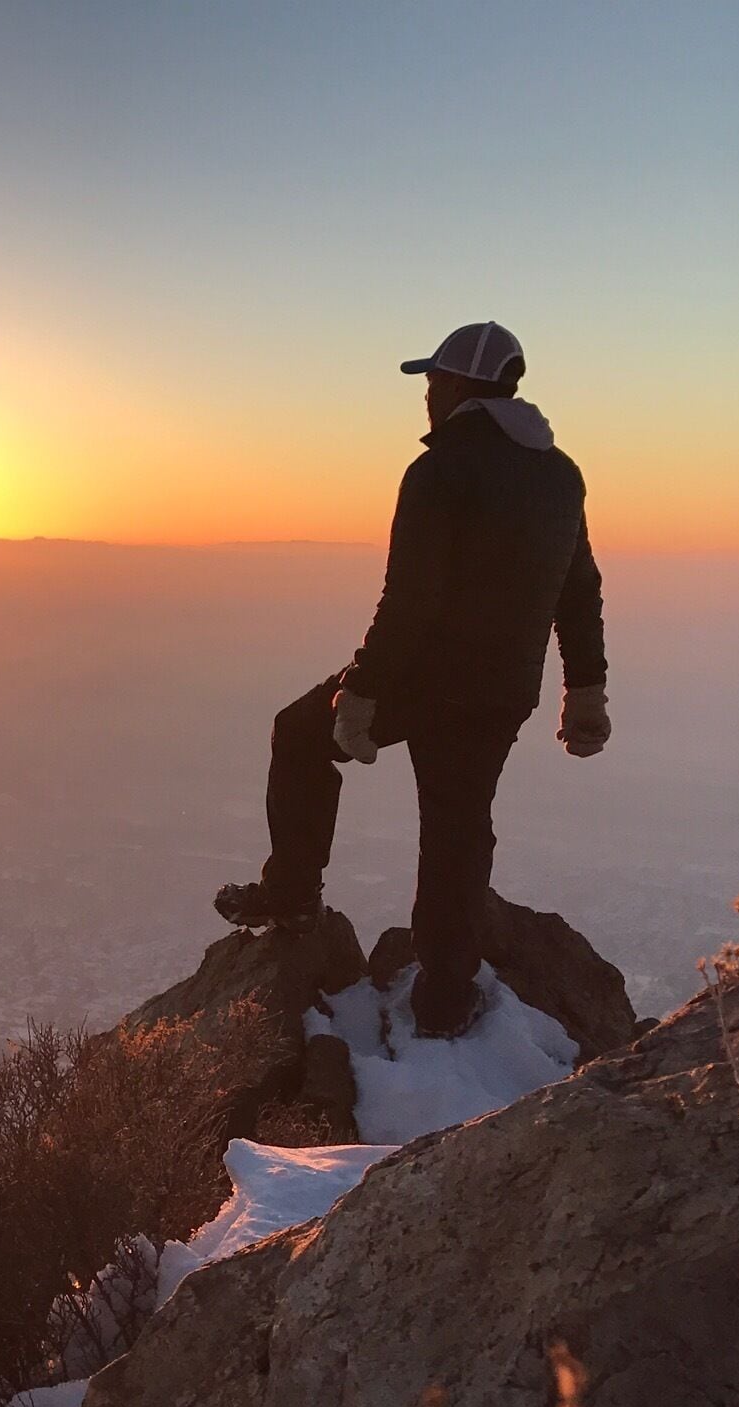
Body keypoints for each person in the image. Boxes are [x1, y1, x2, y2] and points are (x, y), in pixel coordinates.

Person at [214, 320, 610, 1038]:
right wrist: (584, 691)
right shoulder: (560, 474)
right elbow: (577, 589)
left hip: (426, 678)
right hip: (503, 691)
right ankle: (446, 996)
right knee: (458, 830)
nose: (425, 394)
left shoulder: (441, 470)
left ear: (461, 386)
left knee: (300, 733)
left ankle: (293, 896)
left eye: (432, 380)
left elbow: (409, 599)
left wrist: (360, 692)